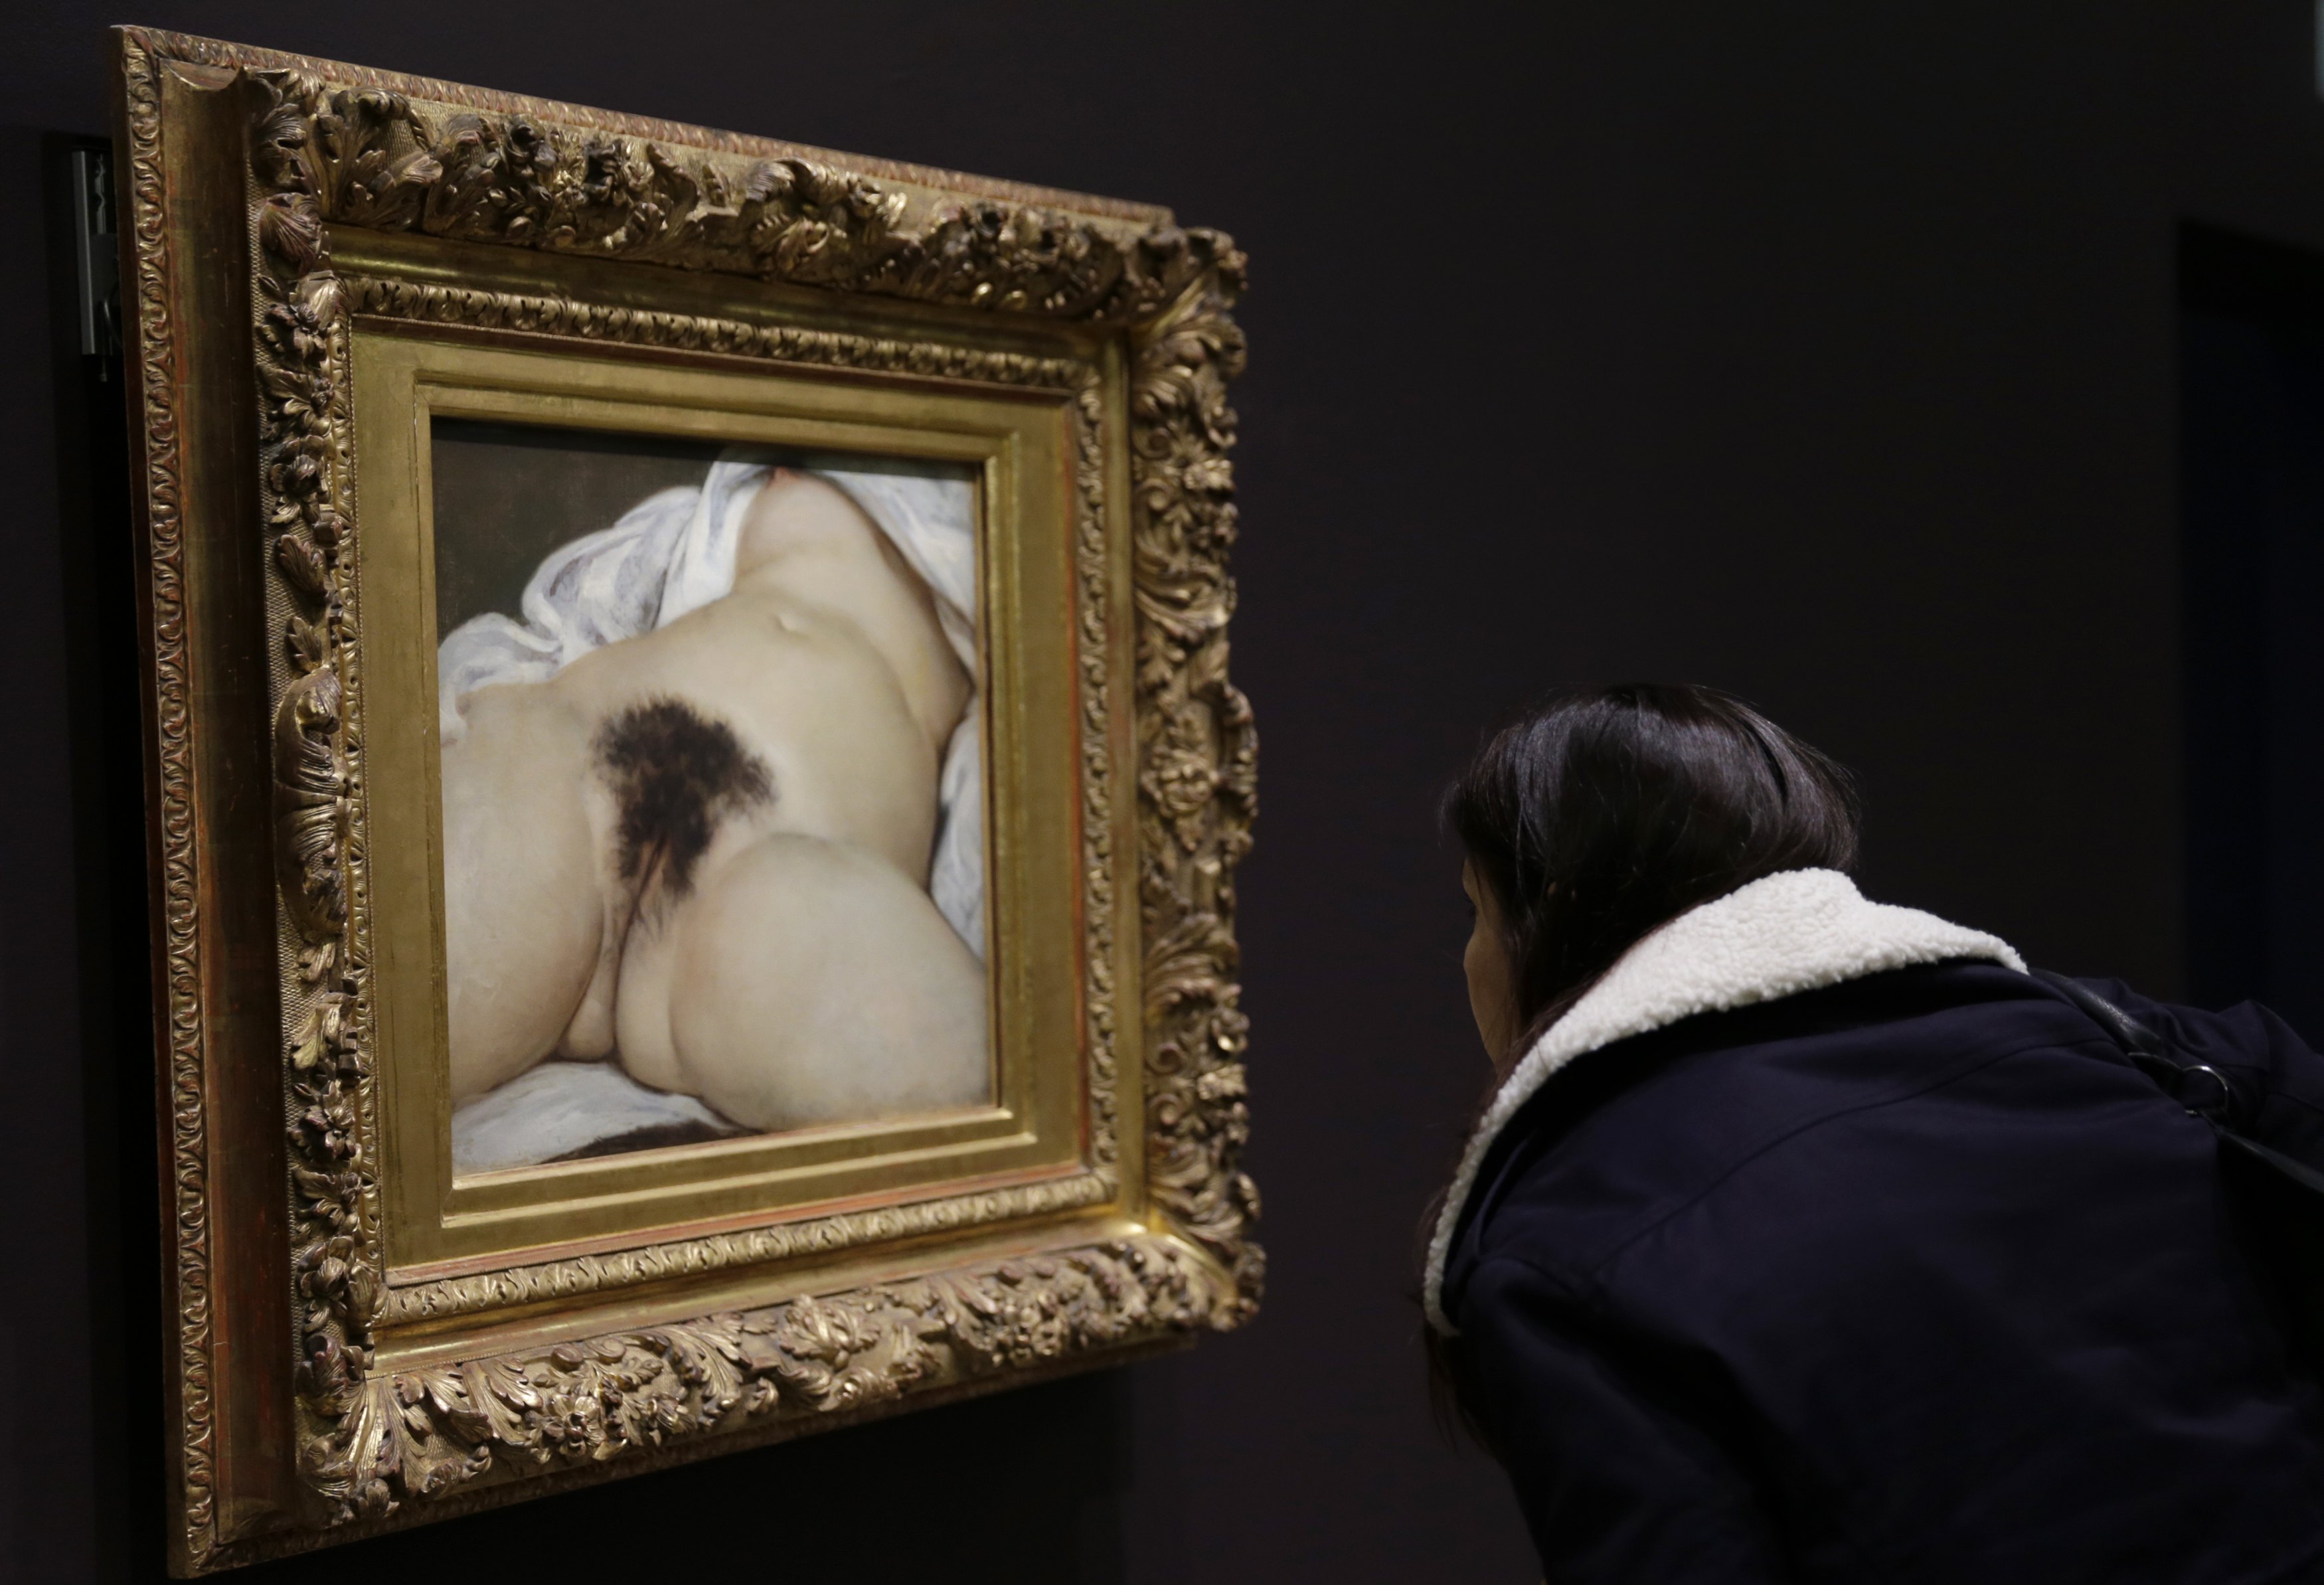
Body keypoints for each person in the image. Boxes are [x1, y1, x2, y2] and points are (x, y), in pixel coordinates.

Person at [1426, 683, 2324, 1582]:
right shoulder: (2108, 1035)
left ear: (1553, 906)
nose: (1471, 956)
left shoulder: (1557, 1245)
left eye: (1475, 909)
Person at [438, 461, 989, 1149]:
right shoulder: (770, 471)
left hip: (784, 865)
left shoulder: (1027, 522)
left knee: (978, 1093)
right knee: (362, 1039)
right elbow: (589, 609)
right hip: (579, 760)